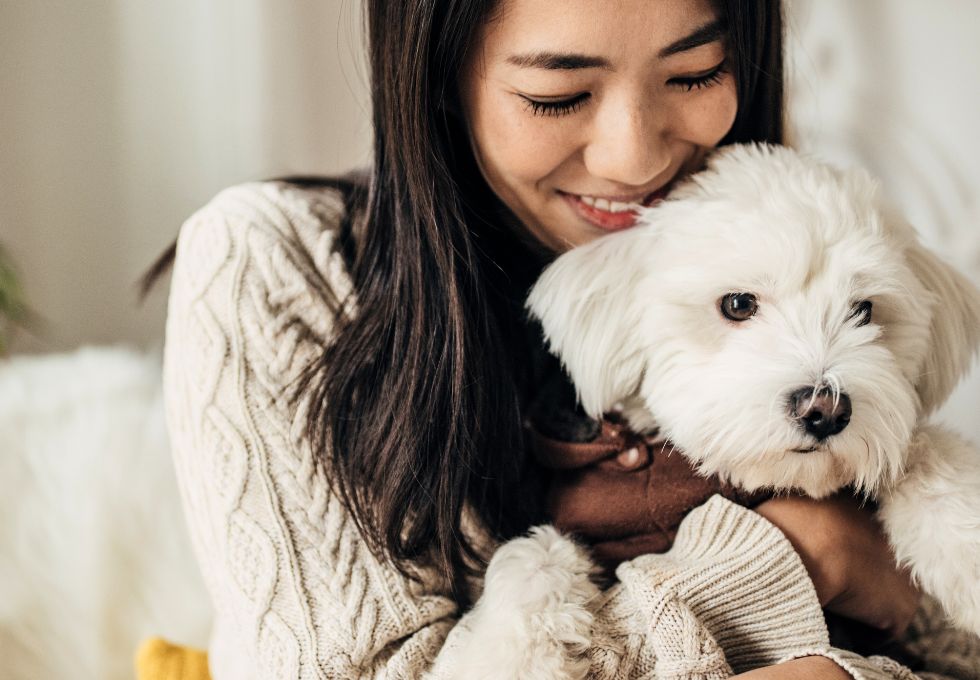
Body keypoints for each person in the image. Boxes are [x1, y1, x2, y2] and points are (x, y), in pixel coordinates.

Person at [159, 0, 980, 677]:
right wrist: (800, 561)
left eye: (694, 73)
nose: (632, 158)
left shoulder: (798, 219)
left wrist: (893, 601)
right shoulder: (270, 258)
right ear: (440, 78)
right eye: (557, 96)